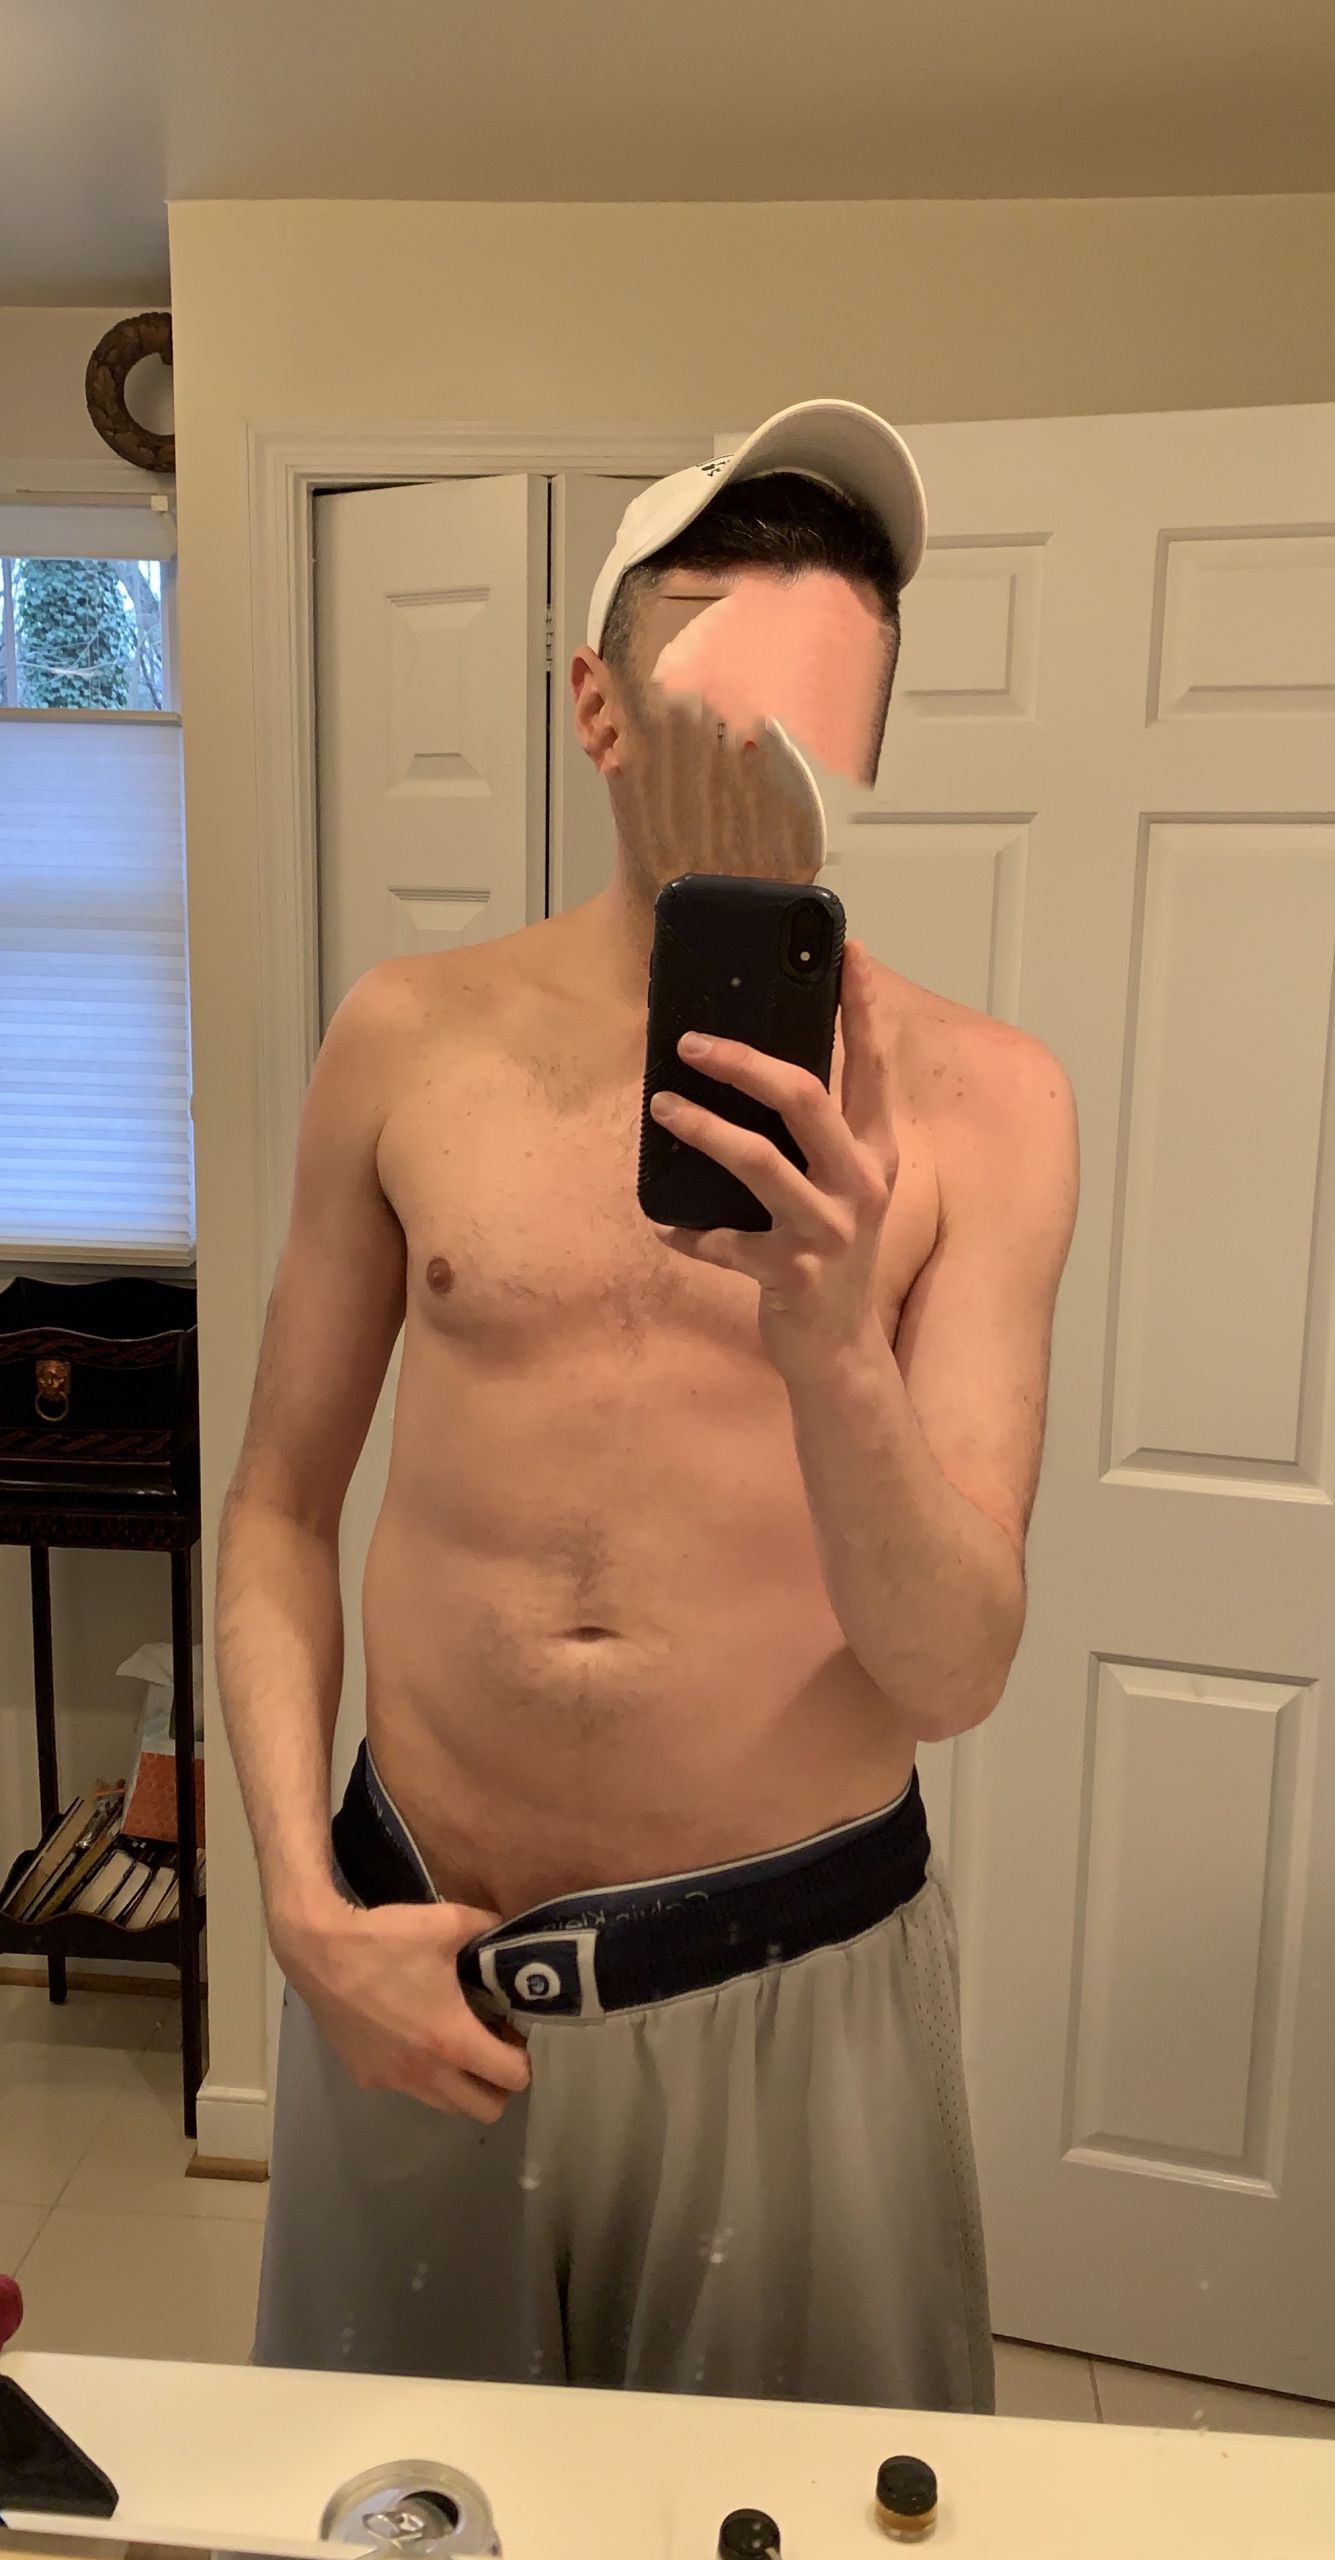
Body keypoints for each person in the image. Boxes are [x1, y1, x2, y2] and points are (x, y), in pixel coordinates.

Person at [218, 399, 1080, 2411]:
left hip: (788, 1980)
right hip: (412, 1955)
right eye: (722, 663)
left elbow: (951, 1665)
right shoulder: (404, 1039)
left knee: (784, 2529)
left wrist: (828, 1339)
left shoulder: (986, 1106)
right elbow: (275, 1507)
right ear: (598, 706)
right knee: (400, 2520)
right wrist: (297, 1902)